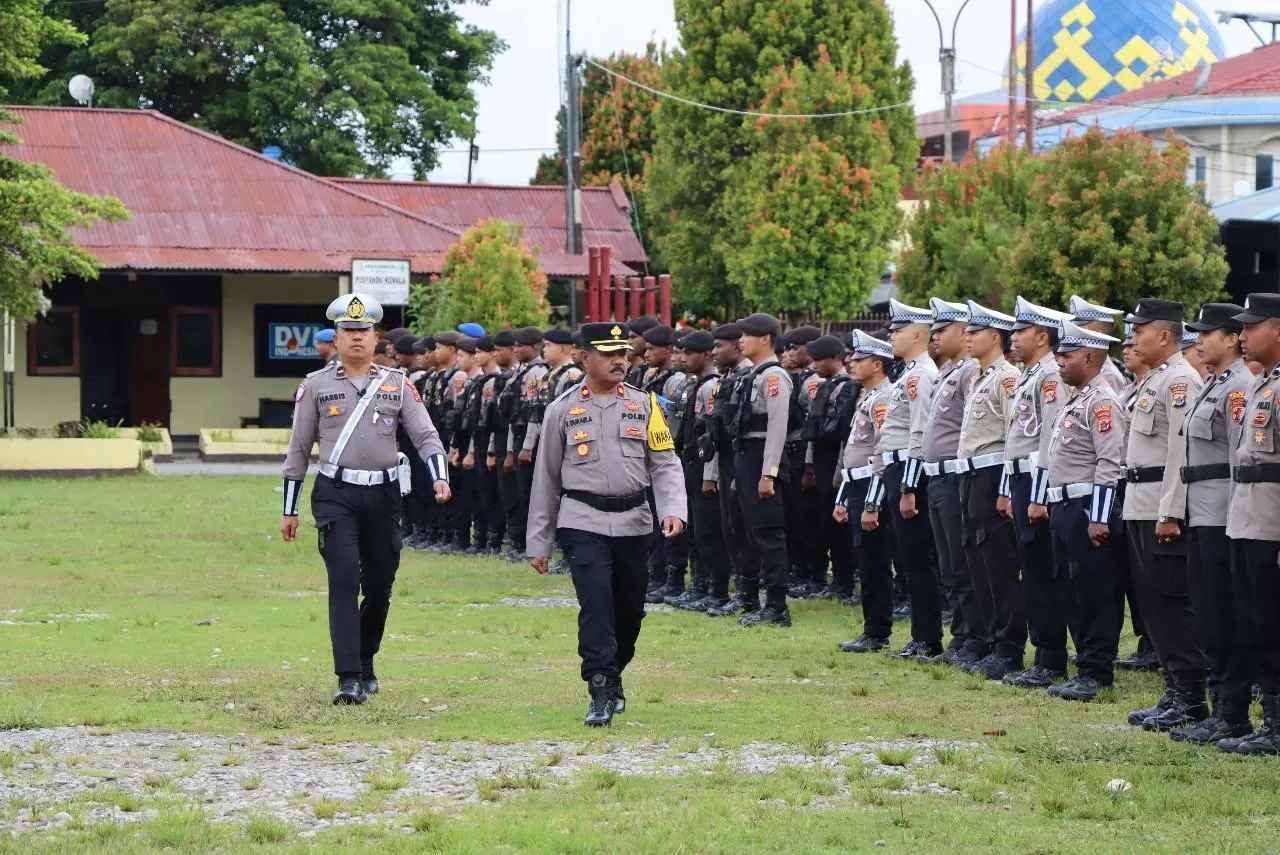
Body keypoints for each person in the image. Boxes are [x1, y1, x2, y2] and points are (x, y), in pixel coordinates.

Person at [280, 293, 451, 705]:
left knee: (378, 585)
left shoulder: (396, 384)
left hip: (384, 494)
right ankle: (349, 677)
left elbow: (425, 435)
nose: (356, 338)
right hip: (336, 494)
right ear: (335, 339)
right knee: (342, 581)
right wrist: (290, 508)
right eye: (348, 331)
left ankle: (366, 657)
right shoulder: (316, 386)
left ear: (376, 339)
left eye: (363, 331)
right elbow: (299, 449)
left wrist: (439, 476)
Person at [526, 322, 686, 727]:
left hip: (635, 521)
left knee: (629, 611)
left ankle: (614, 672)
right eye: (609, 354)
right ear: (584, 357)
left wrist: (673, 509)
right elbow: (545, 478)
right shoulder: (560, 410)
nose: (620, 361)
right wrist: (539, 541)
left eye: (624, 354)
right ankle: (599, 686)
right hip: (582, 520)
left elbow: (665, 463)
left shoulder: (646, 405)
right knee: (596, 604)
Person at [1168, 304, 1254, 746]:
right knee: (1207, 613)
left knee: (1226, 614)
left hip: (1224, 515)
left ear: (1232, 338)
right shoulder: (1213, 385)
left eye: (1207, 333)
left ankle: (1234, 712)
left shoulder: (1240, 388)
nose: (1198, 340)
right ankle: (1222, 707)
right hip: (1201, 512)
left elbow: (1244, 460)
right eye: (1196, 334)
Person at [1122, 299, 1208, 732]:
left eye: (1140, 329)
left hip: (1160, 503)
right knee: (1153, 603)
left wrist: (1171, 510)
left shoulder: (1179, 380)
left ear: (1164, 335)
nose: (1133, 337)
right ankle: (1174, 689)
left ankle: (1190, 697)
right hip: (1139, 500)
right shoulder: (1153, 379)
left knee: (1172, 604)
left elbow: (1179, 451)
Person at [1043, 320, 1127, 702]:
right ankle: (1085, 666)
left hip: (1085, 508)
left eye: (1068, 355)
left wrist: (1098, 517)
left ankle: (1097, 670)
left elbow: (1110, 463)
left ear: (1091, 358)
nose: (1059, 360)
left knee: (1094, 590)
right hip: (1063, 505)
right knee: (1071, 588)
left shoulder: (1103, 400)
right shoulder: (1075, 398)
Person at [1000, 297, 1072, 689]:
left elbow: (1049, 439)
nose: (1012, 338)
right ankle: (1044, 653)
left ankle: (1051, 658)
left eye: (1019, 331)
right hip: (1020, 478)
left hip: (1036, 482)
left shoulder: (1050, 377)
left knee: (1042, 571)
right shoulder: (1031, 374)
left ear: (1041, 336)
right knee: (1033, 569)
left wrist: (1039, 495)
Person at [1220, 293, 1280, 755]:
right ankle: (1267, 721)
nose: (1242, 335)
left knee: (1272, 625)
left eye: (1251, 326)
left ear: (1276, 329)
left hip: (1271, 526)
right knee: (1251, 624)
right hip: (1246, 518)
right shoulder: (1263, 384)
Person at [956, 301, 1026, 680]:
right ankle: (988, 640)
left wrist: (1004, 489)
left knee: (998, 564)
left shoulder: (1007, 377)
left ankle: (1009, 647)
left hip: (991, 475)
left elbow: (1014, 436)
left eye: (974, 332)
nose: (967, 337)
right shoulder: (980, 376)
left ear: (994, 338)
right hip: (970, 476)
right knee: (977, 562)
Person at [920, 298, 981, 666]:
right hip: (937, 478)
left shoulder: (971, 372)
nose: (935, 337)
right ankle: (961, 636)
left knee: (962, 564)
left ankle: (974, 638)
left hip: (956, 476)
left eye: (942, 330)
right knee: (948, 566)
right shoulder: (948, 372)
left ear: (962, 331)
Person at [882, 299, 943, 658]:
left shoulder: (921, 376)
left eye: (898, 330)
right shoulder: (908, 373)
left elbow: (920, 434)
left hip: (910, 472)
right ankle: (922, 634)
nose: (891, 335)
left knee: (918, 559)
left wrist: (908, 487)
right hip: (896, 468)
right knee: (908, 559)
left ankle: (928, 637)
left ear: (918, 335)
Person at [728, 313, 795, 626]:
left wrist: (769, 472)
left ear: (766, 338)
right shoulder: (753, 374)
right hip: (746, 457)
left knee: (768, 534)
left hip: (762, 457)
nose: (741, 340)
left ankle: (777, 607)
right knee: (749, 532)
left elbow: (777, 427)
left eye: (747, 334)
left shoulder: (774, 377)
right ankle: (753, 598)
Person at [834, 330, 896, 652]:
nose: (850, 363)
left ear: (877, 364)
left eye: (858, 359)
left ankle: (877, 632)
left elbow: (880, 456)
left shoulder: (883, 398)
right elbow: (854, 454)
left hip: (873, 488)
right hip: (857, 484)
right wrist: (843, 497)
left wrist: (872, 503)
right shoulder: (866, 396)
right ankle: (871, 628)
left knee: (874, 561)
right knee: (866, 559)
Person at [668, 330, 729, 611]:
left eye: (690, 353)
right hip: (689, 459)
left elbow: (712, 435)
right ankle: (699, 584)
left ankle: (715, 589)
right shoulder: (694, 385)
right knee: (694, 528)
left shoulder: (711, 387)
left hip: (704, 462)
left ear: (705, 355)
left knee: (709, 531)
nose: (683, 358)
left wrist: (710, 475)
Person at [801, 334, 859, 605]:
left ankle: (845, 581)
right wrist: (810, 466)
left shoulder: (848, 387)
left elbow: (845, 434)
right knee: (825, 521)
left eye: (819, 359)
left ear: (835, 358)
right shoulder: (826, 386)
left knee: (841, 524)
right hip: (822, 458)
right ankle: (836, 580)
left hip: (838, 458)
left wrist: (839, 472)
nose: (814, 365)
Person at [704, 324, 757, 617]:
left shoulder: (748, 376)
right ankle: (742, 594)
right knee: (730, 527)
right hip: (725, 457)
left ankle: (749, 595)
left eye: (719, 346)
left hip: (741, 457)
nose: (715, 351)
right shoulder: (729, 377)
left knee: (742, 526)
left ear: (737, 346)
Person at [640, 325, 691, 600]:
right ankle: (656, 573)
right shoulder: (652, 376)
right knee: (651, 518)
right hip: (651, 453)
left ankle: (673, 578)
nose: (646, 353)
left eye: (652, 348)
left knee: (671, 518)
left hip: (669, 453)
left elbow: (675, 422)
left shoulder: (676, 381)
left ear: (668, 350)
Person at [782, 327, 825, 598]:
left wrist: (809, 464)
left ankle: (815, 573)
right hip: (793, 452)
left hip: (807, 453)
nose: (788, 353)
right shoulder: (797, 378)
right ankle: (801, 570)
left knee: (810, 518)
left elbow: (810, 423)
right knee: (795, 517)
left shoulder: (815, 381)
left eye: (793, 348)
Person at [501, 327, 547, 560]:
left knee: (531, 495)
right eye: (515, 345)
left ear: (534, 347)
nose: (516, 349)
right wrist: (510, 449)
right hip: (518, 435)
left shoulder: (537, 373)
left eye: (521, 345)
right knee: (519, 494)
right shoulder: (521, 372)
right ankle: (520, 542)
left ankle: (532, 546)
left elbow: (534, 414)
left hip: (531, 439)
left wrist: (528, 446)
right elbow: (513, 416)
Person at [489, 329, 519, 555]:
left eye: (499, 350)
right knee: (503, 493)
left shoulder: (520, 377)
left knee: (516, 494)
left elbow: (515, 418)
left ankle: (518, 540)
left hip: (513, 441)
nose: (495, 354)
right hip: (500, 441)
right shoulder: (503, 378)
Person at [1069, 295, 1129, 393]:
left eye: (1083, 331)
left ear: (1099, 334)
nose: (1076, 335)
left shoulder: (1108, 375)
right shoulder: (1083, 369)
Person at [625, 316, 659, 387]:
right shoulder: (642, 368)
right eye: (628, 338)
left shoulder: (657, 371)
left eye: (633, 337)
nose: (628, 342)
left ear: (647, 337)